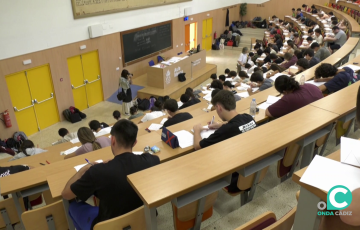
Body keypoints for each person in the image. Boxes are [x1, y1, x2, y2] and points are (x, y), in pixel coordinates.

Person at [62, 120, 160, 230]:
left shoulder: (97, 172)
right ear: (135, 142)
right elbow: (153, 158)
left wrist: (81, 171)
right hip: (144, 218)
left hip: (108, 226)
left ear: (112, 140)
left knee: (73, 206)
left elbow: (66, 194)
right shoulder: (151, 161)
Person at [193, 90, 256, 193]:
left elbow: (198, 146)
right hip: (252, 167)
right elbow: (237, 125)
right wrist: (221, 125)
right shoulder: (248, 117)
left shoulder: (226, 130)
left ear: (219, 108)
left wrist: (197, 131)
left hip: (235, 177)